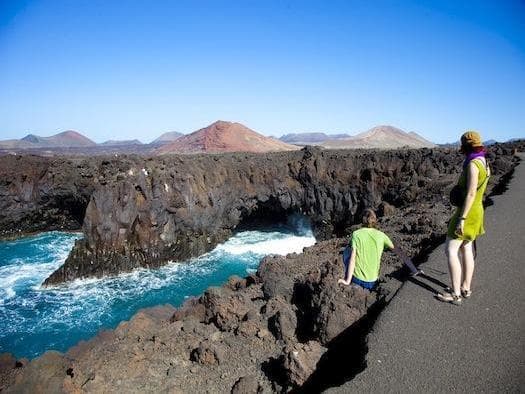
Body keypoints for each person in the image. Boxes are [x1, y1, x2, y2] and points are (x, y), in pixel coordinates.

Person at [437, 131, 490, 305]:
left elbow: (471, 193)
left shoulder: (473, 164)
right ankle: (466, 288)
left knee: (450, 250)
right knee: (466, 248)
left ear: (466, 147)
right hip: (478, 210)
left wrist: (462, 218)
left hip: (467, 212)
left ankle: (455, 294)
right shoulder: (484, 161)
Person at [338, 209, 420, 290]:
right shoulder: (382, 235)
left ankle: (348, 277)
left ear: (362, 220)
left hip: (357, 279)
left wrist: (347, 281)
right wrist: (414, 270)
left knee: (347, 251)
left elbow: (352, 259)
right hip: (372, 282)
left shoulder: (356, 234)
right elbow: (400, 253)